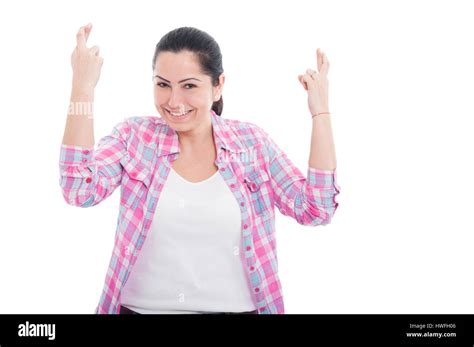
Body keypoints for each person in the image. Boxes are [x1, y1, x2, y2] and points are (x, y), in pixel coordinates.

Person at [60, 23, 341, 314]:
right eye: (163, 84)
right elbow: (78, 189)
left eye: (189, 86)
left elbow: (317, 208)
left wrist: (320, 112)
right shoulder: (134, 137)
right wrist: (83, 86)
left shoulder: (252, 144)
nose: (173, 101)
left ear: (218, 85)